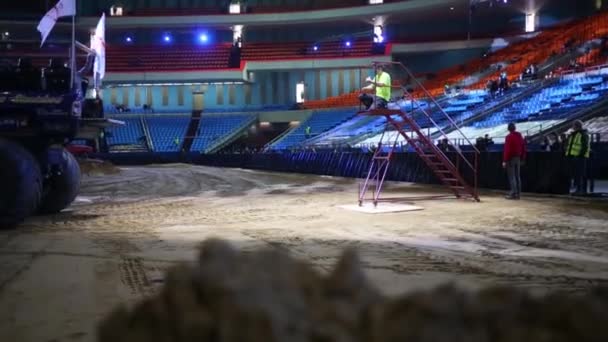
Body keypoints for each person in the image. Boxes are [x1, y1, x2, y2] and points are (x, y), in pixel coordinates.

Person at [565, 120, 590, 194]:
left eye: (574, 125)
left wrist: (579, 155)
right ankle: (576, 189)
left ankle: (580, 190)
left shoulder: (583, 134)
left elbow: (585, 146)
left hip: (580, 158)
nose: (573, 127)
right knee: (575, 174)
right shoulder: (573, 134)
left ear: (577, 126)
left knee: (579, 174)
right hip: (572, 157)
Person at [503, 123, 527, 200]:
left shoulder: (509, 137)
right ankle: (518, 194)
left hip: (511, 159)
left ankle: (513, 193)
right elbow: (523, 147)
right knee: (517, 176)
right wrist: (523, 157)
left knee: (512, 176)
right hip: (518, 158)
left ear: (508, 129)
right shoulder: (519, 136)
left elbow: (507, 150)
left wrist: (505, 160)